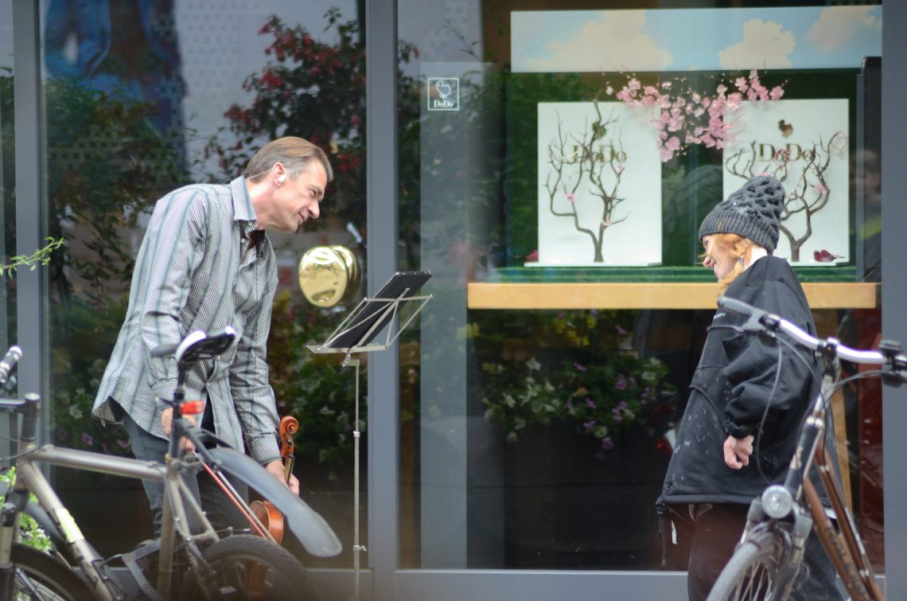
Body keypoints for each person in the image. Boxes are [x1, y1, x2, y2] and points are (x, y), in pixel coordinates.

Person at [93, 136, 331, 531]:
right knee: (183, 535)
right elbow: (156, 311)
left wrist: (270, 459)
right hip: (156, 395)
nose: (316, 209)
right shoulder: (195, 205)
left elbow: (249, 363)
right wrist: (172, 400)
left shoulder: (265, 260)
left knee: (234, 535)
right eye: (313, 193)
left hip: (210, 409)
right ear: (278, 174)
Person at [657, 175, 843, 600]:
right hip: (754, 480)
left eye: (709, 245)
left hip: (753, 476)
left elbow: (776, 369)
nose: (705, 258)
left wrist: (741, 428)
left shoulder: (767, 284)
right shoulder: (763, 285)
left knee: (717, 581)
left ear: (735, 242)